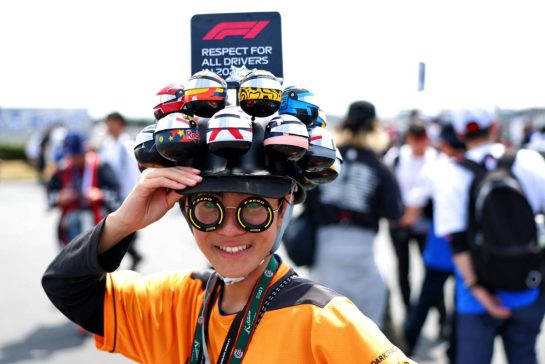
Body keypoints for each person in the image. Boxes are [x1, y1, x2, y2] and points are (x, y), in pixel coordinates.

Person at [42, 106, 414, 363]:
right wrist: (122, 222)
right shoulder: (173, 302)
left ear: (284, 207)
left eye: (255, 208)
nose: (230, 228)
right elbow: (65, 286)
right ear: (185, 211)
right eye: (209, 208)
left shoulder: (325, 321)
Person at [434, 109, 545, 363]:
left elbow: (457, 241)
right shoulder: (528, 161)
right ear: (494, 126)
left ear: (461, 134)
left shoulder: (451, 174)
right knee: (524, 354)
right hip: (529, 286)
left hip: (476, 297)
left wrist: (479, 291)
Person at [307, 100, 403, 331]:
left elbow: (307, 200)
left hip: (325, 246)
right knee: (365, 327)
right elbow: (394, 211)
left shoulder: (325, 159)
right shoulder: (378, 165)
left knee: (324, 320)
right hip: (361, 249)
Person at [399, 123, 466, 360]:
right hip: (471, 249)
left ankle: (406, 344)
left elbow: (414, 208)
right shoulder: (479, 166)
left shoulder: (436, 168)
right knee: (463, 305)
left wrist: (401, 221)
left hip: (442, 246)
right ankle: (454, 349)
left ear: (445, 144)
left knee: (426, 297)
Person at [383, 120, 439, 311]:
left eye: (422, 140)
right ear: (409, 139)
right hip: (399, 220)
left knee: (432, 270)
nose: (419, 145)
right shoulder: (396, 156)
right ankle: (408, 309)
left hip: (425, 222)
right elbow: (386, 186)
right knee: (402, 268)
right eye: (415, 140)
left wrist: (414, 212)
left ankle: (439, 313)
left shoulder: (435, 159)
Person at [46, 132, 120, 247]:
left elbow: (116, 194)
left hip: (98, 223)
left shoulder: (101, 166)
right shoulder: (62, 169)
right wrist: (60, 197)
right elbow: (50, 196)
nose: (76, 159)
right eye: (72, 155)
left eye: (79, 155)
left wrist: (100, 194)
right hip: (69, 225)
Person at [99, 111, 143, 270]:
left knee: (128, 229)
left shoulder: (129, 147)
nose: (108, 126)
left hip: (127, 194)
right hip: (112, 196)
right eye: (107, 122)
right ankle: (128, 257)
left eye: (112, 122)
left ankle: (132, 256)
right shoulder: (107, 147)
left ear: (120, 124)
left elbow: (135, 173)